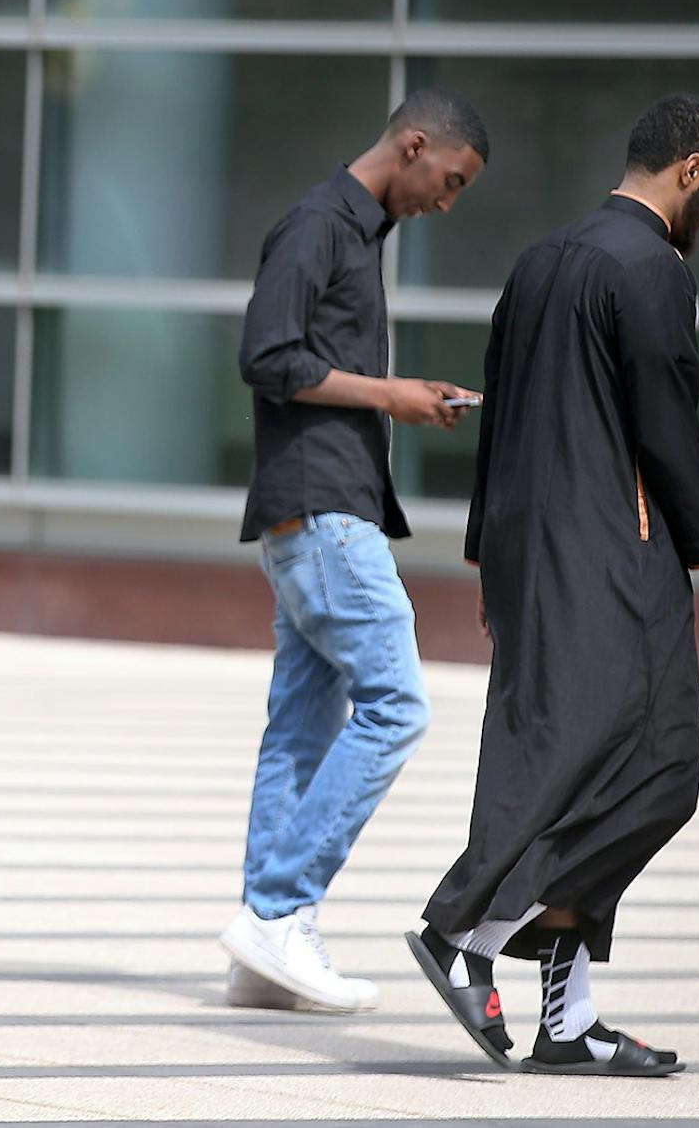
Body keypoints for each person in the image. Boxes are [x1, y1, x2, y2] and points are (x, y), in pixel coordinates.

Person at [407, 94, 699, 1077]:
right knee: (654, 766)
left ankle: (568, 1016)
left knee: (576, 762)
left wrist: (489, 550)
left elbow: (503, 412)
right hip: (611, 549)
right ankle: (463, 929)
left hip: (534, 549)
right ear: (689, 169)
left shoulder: (540, 259)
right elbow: (667, 425)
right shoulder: (650, 267)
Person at [220, 89, 490, 1014]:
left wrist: (403, 394)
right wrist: (391, 395)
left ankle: (264, 945)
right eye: (447, 180)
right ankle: (279, 909)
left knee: (299, 729)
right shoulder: (318, 224)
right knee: (398, 707)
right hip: (325, 516)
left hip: (319, 514)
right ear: (413, 145)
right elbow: (266, 356)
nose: (444, 202)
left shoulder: (356, 233)